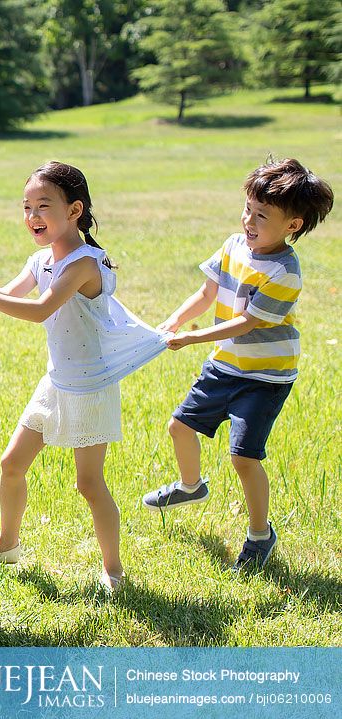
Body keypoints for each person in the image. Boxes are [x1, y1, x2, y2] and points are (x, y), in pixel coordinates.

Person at [0, 162, 166, 593]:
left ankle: (114, 571)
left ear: (74, 210)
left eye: (43, 206)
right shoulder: (40, 259)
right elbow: (9, 293)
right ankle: (8, 543)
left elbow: (37, 310)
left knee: (89, 484)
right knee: (11, 464)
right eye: (27, 206)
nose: (33, 215)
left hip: (90, 388)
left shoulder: (84, 264)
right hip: (56, 383)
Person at [144, 158, 334, 571]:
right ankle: (191, 486)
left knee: (243, 457)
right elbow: (206, 292)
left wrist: (191, 338)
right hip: (225, 366)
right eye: (248, 208)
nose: (249, 220)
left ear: (292, 226)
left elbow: (247, 323)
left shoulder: (285, 271)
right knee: (179, 427)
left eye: (262, 215)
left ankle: (260, 535)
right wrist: (176, 320)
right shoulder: (233, 245)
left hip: (265, 378)